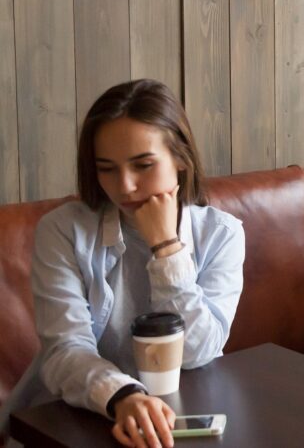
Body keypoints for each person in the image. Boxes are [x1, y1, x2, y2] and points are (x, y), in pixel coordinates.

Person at [0, 79, 245, 448]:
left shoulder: (222, 234)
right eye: (107, 168)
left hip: (173, 417)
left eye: (143, 164)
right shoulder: (63, 230)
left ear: (180, 157)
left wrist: (166, 248)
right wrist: (123, 396)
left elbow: (198, 352)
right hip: (71, 415)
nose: (126, 186)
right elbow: (65, 348)